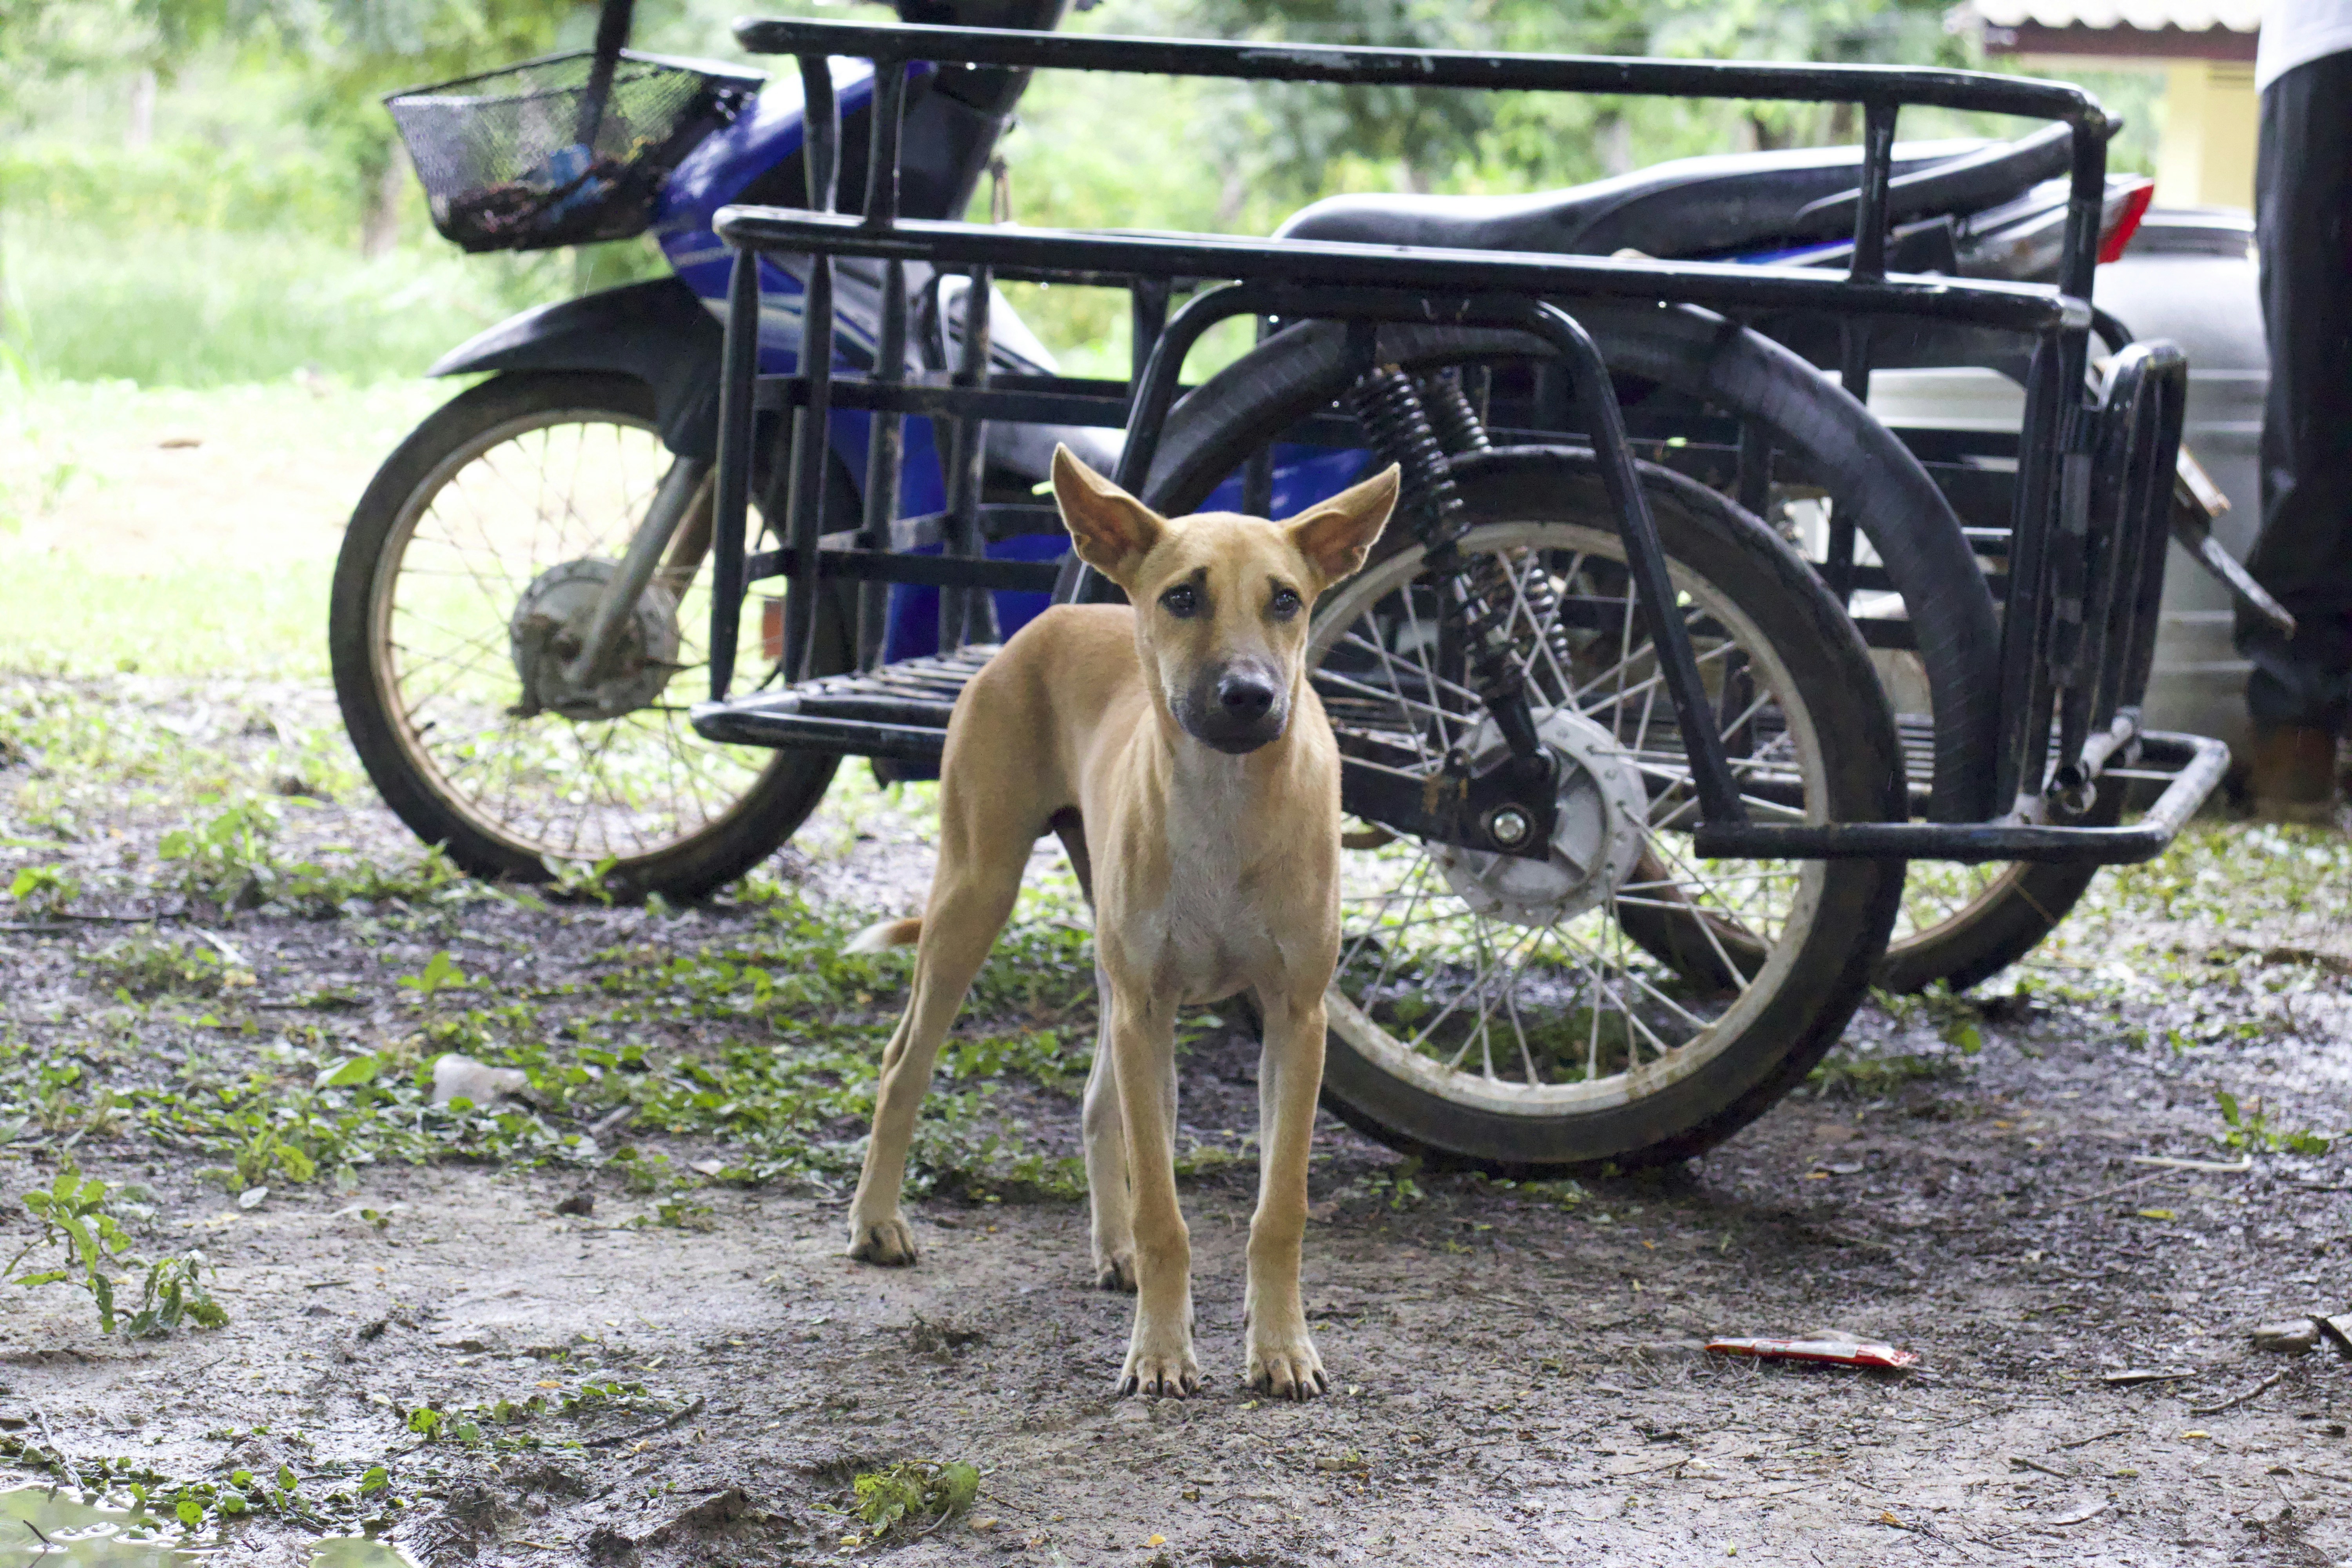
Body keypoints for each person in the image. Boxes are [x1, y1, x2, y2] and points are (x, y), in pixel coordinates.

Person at [2239, 0, 2352, 820]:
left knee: (2315, 406)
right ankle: (2295, 729)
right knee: (2314, 405)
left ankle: (2295, 726)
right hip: (2329, 43)